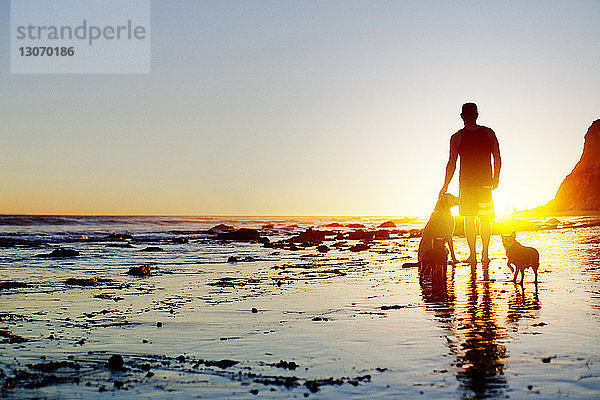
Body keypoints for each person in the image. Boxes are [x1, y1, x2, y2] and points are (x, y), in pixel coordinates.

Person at [439, 103, 501, 264]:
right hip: (485, 183)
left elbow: (451, 163)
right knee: (485, 219)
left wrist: (445, 185)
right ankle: (485, 255)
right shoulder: (488, 133)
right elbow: (497, 157)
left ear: (461, 116)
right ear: (477, 114)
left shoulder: (457, 137)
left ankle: (473, 255)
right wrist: (496, 178)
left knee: (469, 219)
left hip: (466, 185)